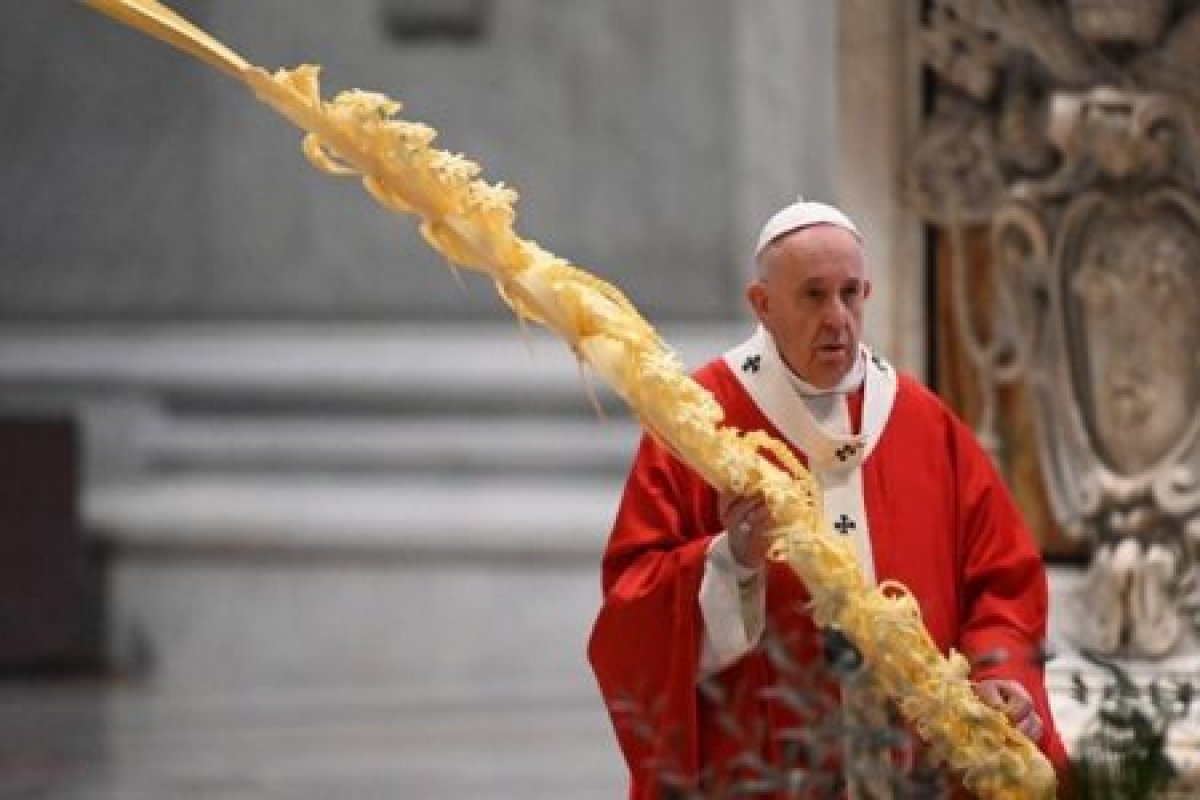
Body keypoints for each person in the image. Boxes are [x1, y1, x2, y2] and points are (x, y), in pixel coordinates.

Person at [588, 198, 1069, 798]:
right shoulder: (700, 418)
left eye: (850, 294)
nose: (838, 317)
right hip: (763, 770)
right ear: (762, 305)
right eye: (813, 296)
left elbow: (1003, 586)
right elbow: (633, 608)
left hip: (908, 772)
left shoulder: (921, 422)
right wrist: (730, 561)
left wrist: (1001, 675)